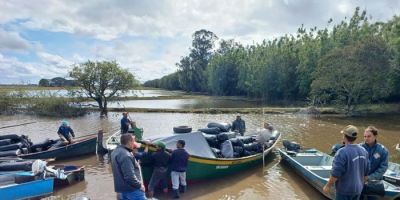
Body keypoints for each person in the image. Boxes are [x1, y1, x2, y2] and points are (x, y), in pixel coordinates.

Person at [323, 125, 369, 200]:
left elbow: (336, 173)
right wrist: (361, 184)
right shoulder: (364, 151)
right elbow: (366, 173)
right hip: (358, 189)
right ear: (355, 137)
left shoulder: (342, 152)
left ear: (344, 136)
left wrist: (327, 186)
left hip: (344, 190)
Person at [111, 134, 146, 200]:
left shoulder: (114, 152)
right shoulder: (126, 155)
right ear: (129, 142)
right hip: (132, 190)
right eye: (133, 141)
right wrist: (140, 185)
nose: (134, 143)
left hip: (121, 190)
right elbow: (129, 176)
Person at [361, 126, 389, 199]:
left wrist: (369, 177)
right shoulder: (359, 148)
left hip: (374, 184)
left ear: (375, 136)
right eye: (365, 136)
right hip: (359, 182)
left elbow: (383, 168)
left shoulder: (383, 150)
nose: (366, 138)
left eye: (369, 136)